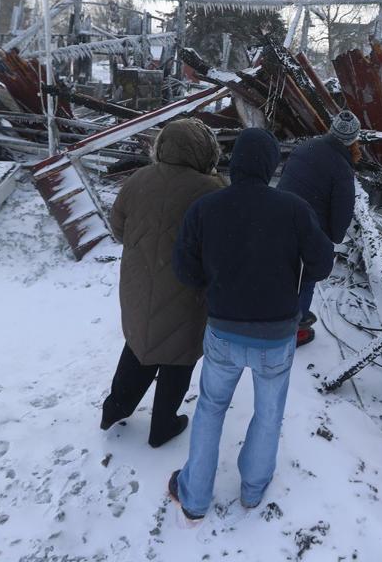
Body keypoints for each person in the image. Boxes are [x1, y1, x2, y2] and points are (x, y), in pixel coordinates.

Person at [167, 128, 334, 521]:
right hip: (276, 335)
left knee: (210, 408)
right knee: (269, 412)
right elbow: (322, 263)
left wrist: (213, 283)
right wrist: (293, 277)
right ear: (271, 165)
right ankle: (253, 491)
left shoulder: (206, 208)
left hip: (223, 330)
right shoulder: (293, 209)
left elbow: (184, 268)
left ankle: (194, 498)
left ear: (235, 162)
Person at [100, 118, 224, 448]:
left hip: (139, 280)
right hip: (186, 287)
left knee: (141, 340)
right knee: (178, 351)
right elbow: (220, 244)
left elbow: (118, 227)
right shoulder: (211, 190)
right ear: (205, 150)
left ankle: (115, 408)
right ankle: (163, 425)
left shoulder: (138, 179)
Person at [276, 110, 359, 346]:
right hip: (308, 230)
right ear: (353, 139)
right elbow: (342, 212)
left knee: (280, 273)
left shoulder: (305, 147)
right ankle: (296, 330)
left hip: (279, 218)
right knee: (306, 278)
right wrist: (332, 238)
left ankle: (274, 316)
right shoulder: (342, 169)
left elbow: (285, 179)